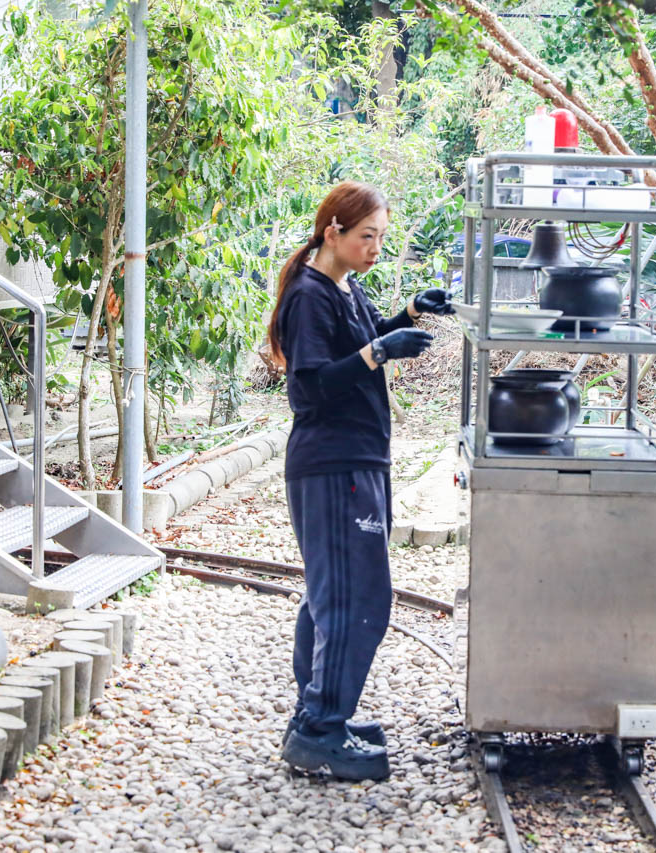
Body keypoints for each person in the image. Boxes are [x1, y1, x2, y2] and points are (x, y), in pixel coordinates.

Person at [267, 181, 453, 781]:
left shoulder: (344, 284)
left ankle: (315, 714)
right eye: (366, 236)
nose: (375, 247)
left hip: (355, 460)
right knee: (358, 598)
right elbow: (310, 386)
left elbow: (367, 339)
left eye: (381, 237)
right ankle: (321, 729)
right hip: (333, 464)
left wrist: (410, 316)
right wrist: (380, 350)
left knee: (331, 592)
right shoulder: (309, 296)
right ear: (334, 233)